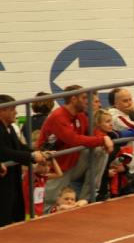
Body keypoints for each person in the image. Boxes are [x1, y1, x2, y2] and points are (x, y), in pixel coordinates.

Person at [37, 85, 112, 211]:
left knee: (100, 151)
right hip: (54, 168)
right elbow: (72, 139)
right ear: (73, 99)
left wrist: (103, 137)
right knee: (48, 207)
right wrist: (102, 139)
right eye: (84, 97)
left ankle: (86, 198)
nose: (88, 101)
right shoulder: (58, 116)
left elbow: (92, 131)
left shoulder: (80, 115)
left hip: (72, 163)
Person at [0, 94, 47, 226]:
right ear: (2, 111)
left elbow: (19, 146)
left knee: (13, 211)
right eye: (12, 109)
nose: (16, 112)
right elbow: (3, 151)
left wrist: (37, 153)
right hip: (3, 179)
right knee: (4, 214)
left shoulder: (9, 127)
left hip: (12, 177)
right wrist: (31, 157)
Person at [94, 109, 134, 199]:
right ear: (98, 124)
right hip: (97, 180)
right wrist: (106, 172)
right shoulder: (96, 138)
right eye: (107, 122)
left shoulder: (112, 134)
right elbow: (95, 164)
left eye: (111, 121)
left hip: (110, 179)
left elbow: (121, 133)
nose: (111, 124)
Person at [108, 88, 134, 191]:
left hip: (132, 169)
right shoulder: (116, 117)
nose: (130, 103)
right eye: (125, 101)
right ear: (116, 104)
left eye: (130, 99)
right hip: (122, 170)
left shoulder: (128, 114)